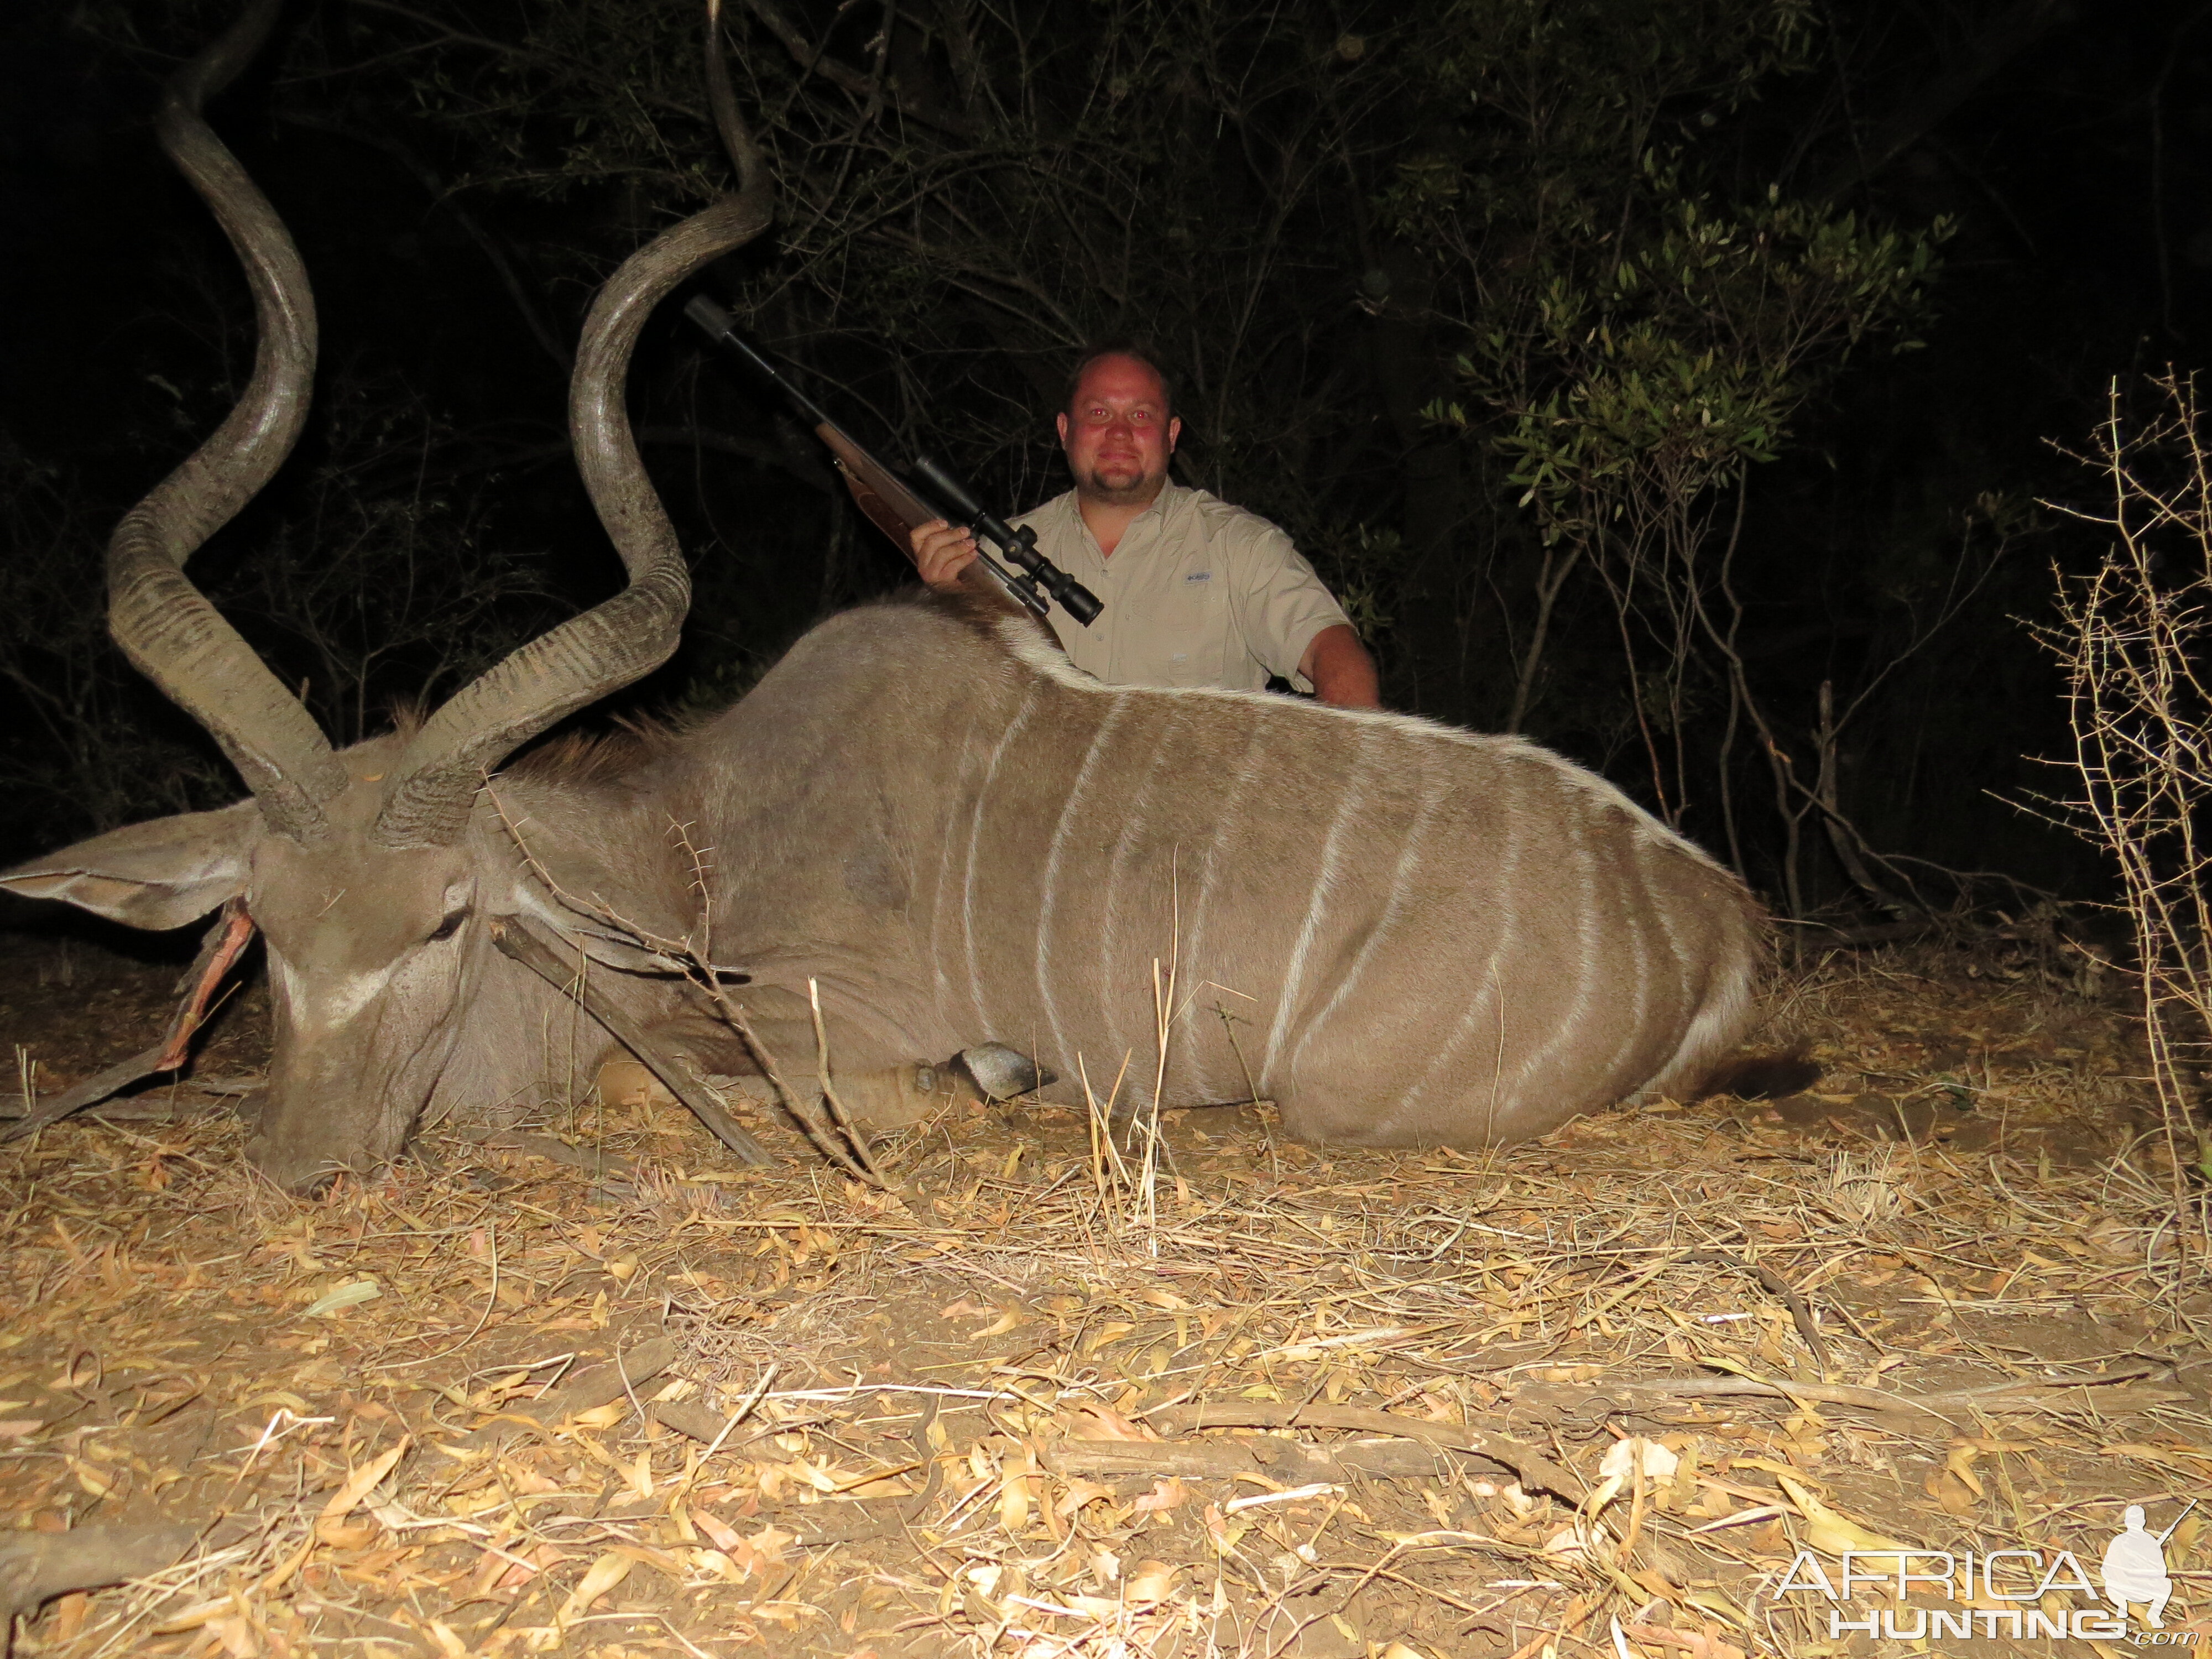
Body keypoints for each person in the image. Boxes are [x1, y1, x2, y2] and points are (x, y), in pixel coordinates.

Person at [909, 345, 1382, 709]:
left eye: (1141, 415)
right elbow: (941, 706)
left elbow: (1333, 653)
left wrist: (1343, 770)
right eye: (1098, 413)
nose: (1119, 433)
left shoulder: (1240, 547)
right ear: (1063, 430)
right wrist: (942, 605)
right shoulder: (991, 554)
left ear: (1171, 434)